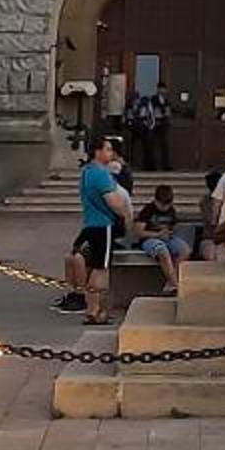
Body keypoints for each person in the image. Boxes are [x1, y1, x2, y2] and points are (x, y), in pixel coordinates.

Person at [61, 136, 133, 324]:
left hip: (90, 224)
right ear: (98, 152)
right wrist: (125, 214)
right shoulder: (101, 174)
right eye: (108, 149)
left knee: (91, 265)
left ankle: (91, 309)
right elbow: (114, 202)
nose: (111, 153)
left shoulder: (87, 172)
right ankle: (96, 310)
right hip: (103, 225)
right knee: (101, 269)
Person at [131, 186, 193, 294]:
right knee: (163, 252)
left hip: (167, 237)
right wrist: (158, 234)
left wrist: (169, 233)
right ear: (156, 200)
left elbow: (173, 227)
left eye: (167, 205)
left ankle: (170, 282)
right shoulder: (148, 210)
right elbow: (139, 233)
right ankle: (175, 285)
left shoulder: (171, 211)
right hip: (150, 239)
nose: (165, 208)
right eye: (162, 205)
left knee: (185, 250)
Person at [148, 84, 173, 171]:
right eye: (161, 89)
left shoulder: (166, 100)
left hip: (163, 124)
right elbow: (151, 111)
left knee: (164, 144)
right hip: (155, 123)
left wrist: (166, 117)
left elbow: (168, 111)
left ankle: (166, 165)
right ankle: (152, 165)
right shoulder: (153, 99)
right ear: (158, 89)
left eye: (164, 89)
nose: (163, 91)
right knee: (152, 145)